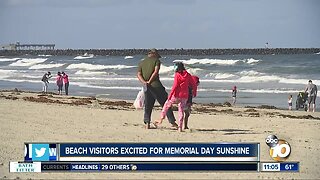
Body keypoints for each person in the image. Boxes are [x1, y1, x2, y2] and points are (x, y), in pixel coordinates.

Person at [137, 48, 178, 129]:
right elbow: (156, 72)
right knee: (166, 103)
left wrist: (144, 82)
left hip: (146, 87)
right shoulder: (156, 61)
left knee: (148, 105)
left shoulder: (142, 62)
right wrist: (150, 81)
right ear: (154, 54)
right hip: (156, 85)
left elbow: (138, 74)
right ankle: (172, 122)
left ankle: (147, 123)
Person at [154, 62, 197, 132]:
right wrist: (195, 92)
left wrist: (170, 95)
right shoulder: (188, 75)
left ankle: (161, 118)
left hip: (176, 95)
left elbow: (175, 86)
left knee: (166, 105)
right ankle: (180, 127)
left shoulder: (177, 75)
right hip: (184, 96)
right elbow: (193, 84)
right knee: (181, 110)